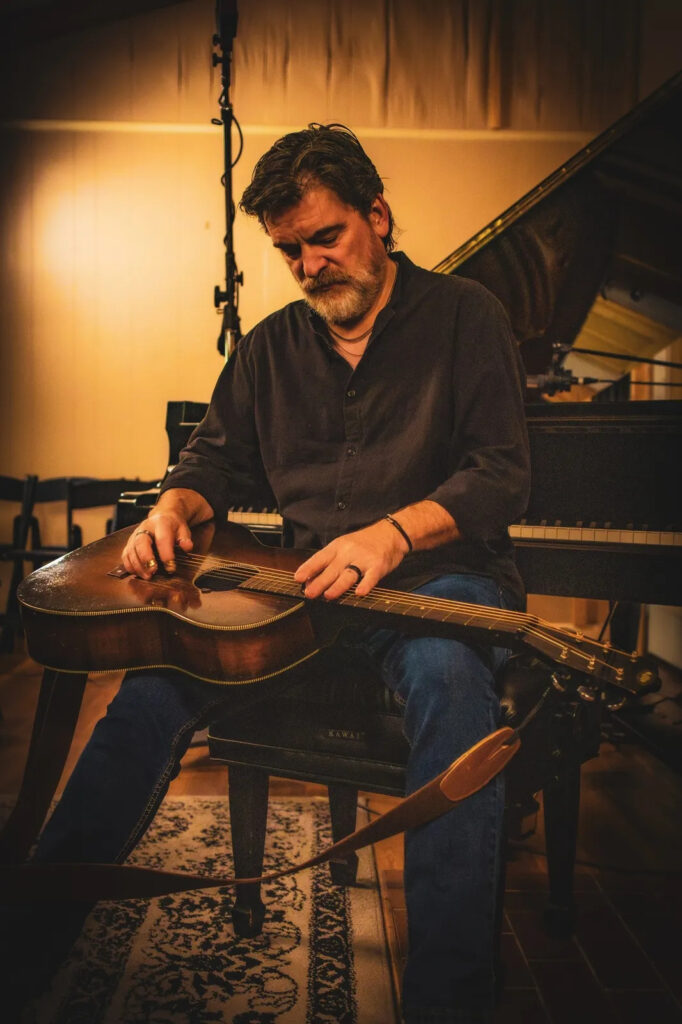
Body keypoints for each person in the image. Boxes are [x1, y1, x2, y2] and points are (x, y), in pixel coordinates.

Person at [9, 124, 530, 1024]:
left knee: (449, 675)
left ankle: (451, 1002)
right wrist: (174, 507)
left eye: (325, 238)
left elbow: (499, 473)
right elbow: (210, 463)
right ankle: (22, 952)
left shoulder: (466, 316)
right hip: (296, 596)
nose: (309, 264)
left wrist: (391, 535)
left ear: (379, 215)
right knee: (150, 690)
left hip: (436, 586)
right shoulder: (267, 347)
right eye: (289, 251)